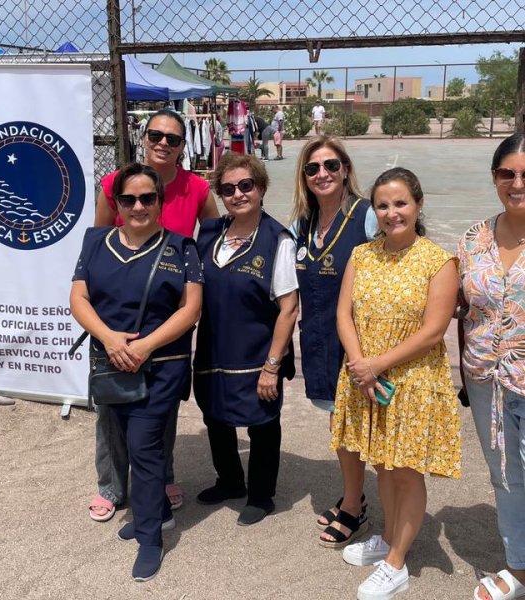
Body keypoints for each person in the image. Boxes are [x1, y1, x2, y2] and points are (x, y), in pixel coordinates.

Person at [332, 167, 461, 599]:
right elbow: (343, 314)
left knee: (406, 470)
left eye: (401, 203)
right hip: (365, 377)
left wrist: (377, 364)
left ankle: (396, 562)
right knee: (382, 464)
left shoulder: (438, 261)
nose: (392, 213)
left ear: (418, 204)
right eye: (383, 205)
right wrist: (358, 364)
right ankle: (388, 536)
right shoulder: (362, 255)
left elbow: (432, 331)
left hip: (411, 380)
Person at [70, 163, 203, 581]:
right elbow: (78, 298)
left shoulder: (182, 248)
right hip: (111, 365)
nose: (139, 206)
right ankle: (158, 512)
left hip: (161, 367)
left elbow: (191, 308)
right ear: (117, 203)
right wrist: (111, 339)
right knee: (123, 440)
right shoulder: (95, 242)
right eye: (129, 199)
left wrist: (144, 345)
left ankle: (150, 538)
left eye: (148, 198)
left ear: (160, 202)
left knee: (144, 448)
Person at [89, 108, 219, 521]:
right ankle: (112, 485)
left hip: (168, 313)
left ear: (184, 146)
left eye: (174, 138)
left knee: (159, 407)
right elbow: (99, 242)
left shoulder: (197, 188)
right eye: (156, 135)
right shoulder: (115, 184)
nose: (163, 143)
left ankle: (160, 476)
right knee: (111, 403)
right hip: (119, 314)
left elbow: (214, 239)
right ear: (143, 137)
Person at [193, 154, 299, 526]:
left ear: (261, 187)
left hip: (256, 353)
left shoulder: (277, 240)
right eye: (228, 189)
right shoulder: (209, 234)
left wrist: (272, 364)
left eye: (245, 186)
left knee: (261, 422)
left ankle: (261, 494)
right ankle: (230, 480)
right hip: (213, 347)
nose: (238, 194)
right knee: (215, 417)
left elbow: (288, 309)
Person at [289, 135, 377, 548]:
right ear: (304, 177)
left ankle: (355, 507)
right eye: (312, 168)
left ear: (345, 170)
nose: (322, 174)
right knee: (339, 425)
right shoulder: (301, 225)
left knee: (359, 426)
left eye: (330, 165)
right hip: (321, 341)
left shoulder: (367, 217)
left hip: (363, 343)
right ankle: (353, 496)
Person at [457, 133, 525, 600]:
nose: (517, 183)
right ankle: (518, 567)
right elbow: (457, 311)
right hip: (485, 380)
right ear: (495, 177)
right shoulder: (472, 239)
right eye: (508, 173)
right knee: (504, 473)